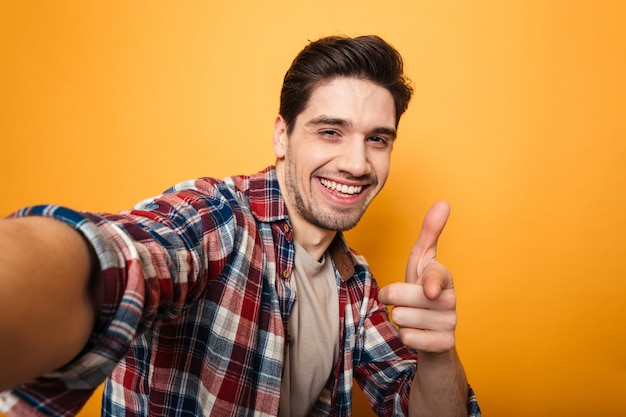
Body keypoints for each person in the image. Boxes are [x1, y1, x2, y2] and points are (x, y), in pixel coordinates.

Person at [0, 35, 480, 417]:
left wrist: (438, 353)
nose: (357, 163)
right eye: (330, 131)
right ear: (281, 134)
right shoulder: (218, 218)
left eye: (377, 139)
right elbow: (123, 256)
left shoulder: (355, 286)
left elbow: (415, 405)